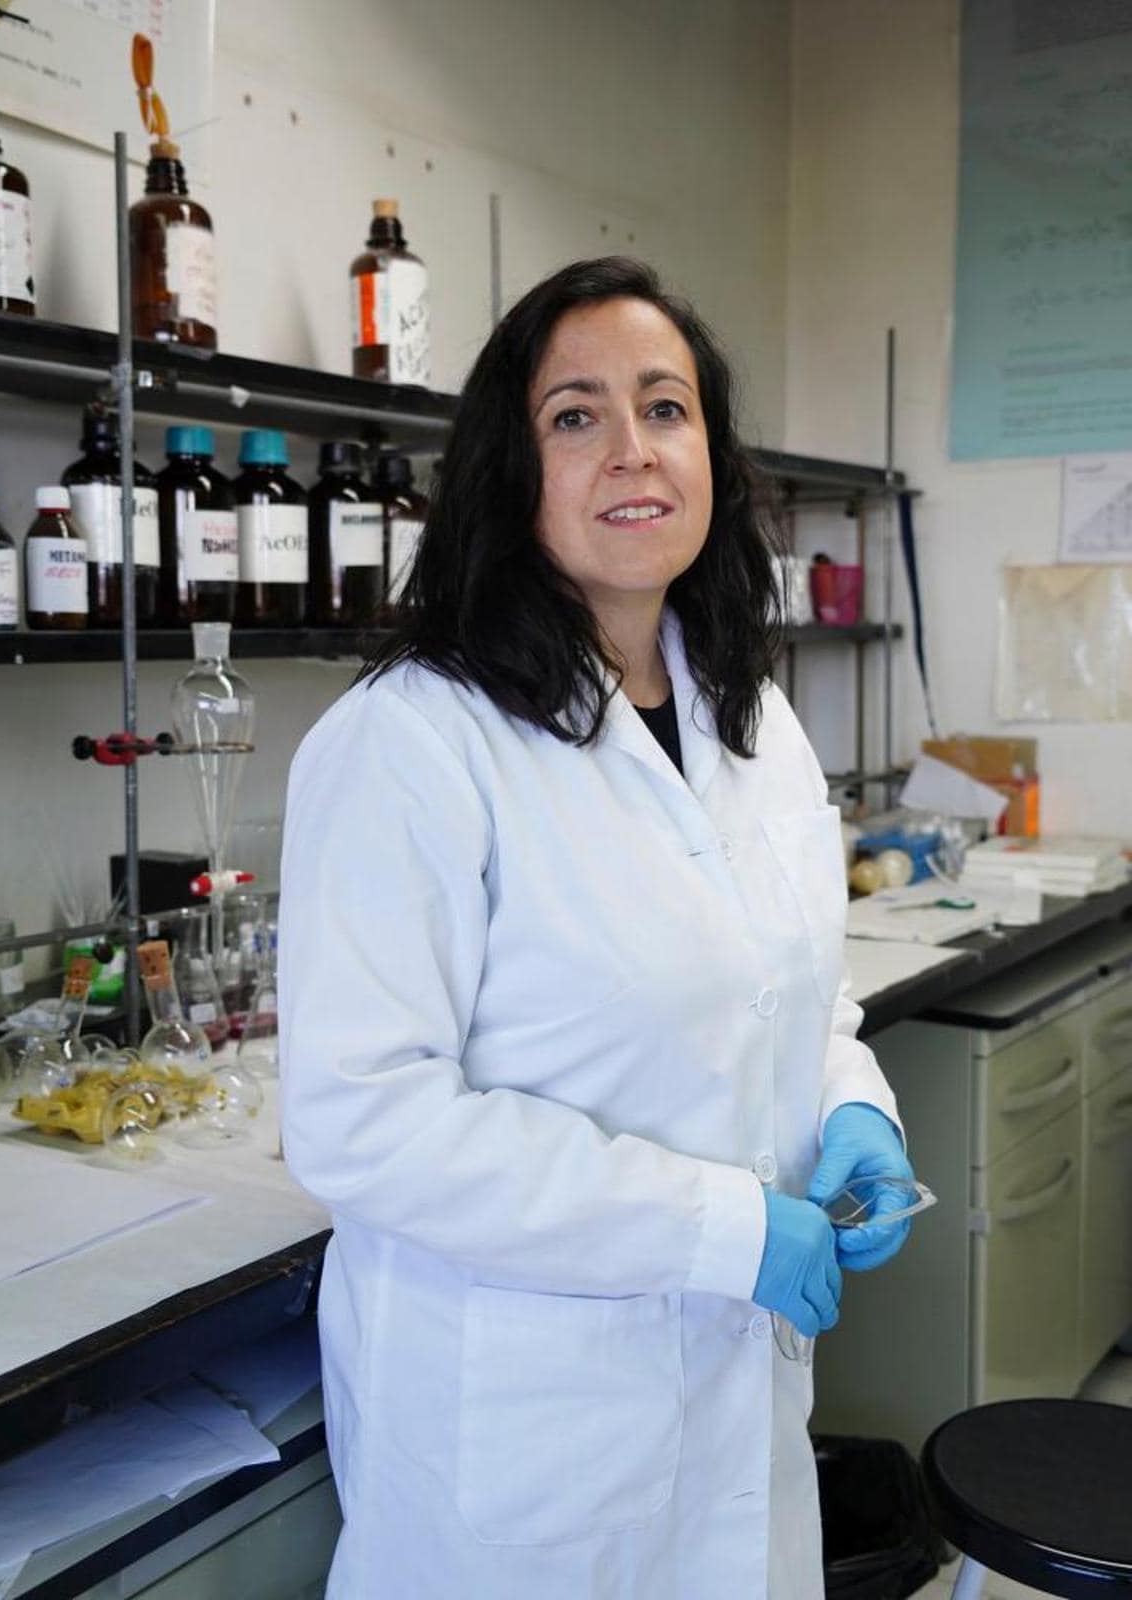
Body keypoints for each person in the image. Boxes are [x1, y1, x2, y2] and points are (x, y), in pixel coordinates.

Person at [279, 256, 912, 1600]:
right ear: (512, 471)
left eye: (665, 407)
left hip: (736, 1423)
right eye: (576, 415)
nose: (632, 449)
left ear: (713, 457)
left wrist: (857, 1108)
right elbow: (363, 1119)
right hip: (527, 1458)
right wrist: (715, 1229)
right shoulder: (409, 743)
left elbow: (802, 1001)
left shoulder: (756, 719)